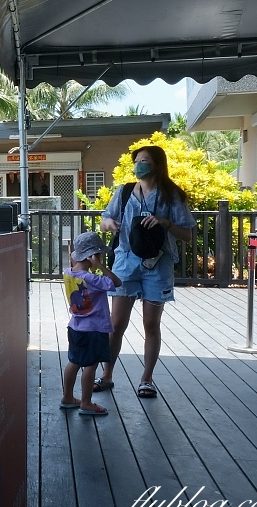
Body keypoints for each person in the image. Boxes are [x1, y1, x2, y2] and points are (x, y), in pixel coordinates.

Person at [97, 145, 195, 398]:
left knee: (151, 324)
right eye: (137, 160)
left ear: (157, 165)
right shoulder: (125, 191)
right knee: (116, 323)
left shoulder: (171, 196)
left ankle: (146, 379)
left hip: (157, 264)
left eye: (145, 160)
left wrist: (166, 223)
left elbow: (187, 234)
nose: (139, 164)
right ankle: (106, 375)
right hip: (126, 262)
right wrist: (109, 223)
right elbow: (105, 220)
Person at [62, 232, 122, 416]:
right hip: (94, 329)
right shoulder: (93, 279)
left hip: (75, 327)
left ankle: (68, 397)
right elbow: (116, 282)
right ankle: (86, 402)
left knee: (73, 361)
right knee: (91, 365)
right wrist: (100, 266)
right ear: (93, 256)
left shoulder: (68, 273)